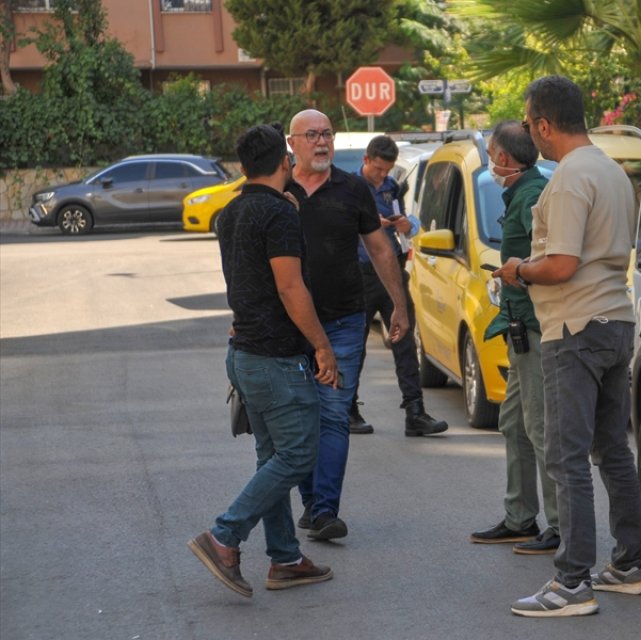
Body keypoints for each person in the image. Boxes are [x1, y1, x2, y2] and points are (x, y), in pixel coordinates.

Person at [494, 76, 641, 618]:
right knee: (612, 449)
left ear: (543, 125)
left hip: (574, 328)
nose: (528, 133)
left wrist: (518, 270)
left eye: (527, 122)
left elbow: (560, 265)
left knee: (567, 457)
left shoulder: (566, 180)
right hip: (615, 320)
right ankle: (629, 564)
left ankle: (572, 582)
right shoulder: (612, 171)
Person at [188, 123, 337, 597]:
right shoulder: (279, 215)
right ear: (284, 162)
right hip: (275, 358)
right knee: (298, 455)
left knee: (272, 457)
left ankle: (286, 558)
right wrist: (322, 346)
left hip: (244, 354)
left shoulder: (231, 212)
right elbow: (290, 288)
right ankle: (224, 536)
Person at [285, 109, 410, 542]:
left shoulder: (352, 188)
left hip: (342, 321)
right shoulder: (277, 190)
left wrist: (400, 304)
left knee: (334, 414)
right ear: (292, 142)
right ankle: (310, 502)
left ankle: (323, 511)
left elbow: (379, 249)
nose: (322, 142)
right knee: (302, 419)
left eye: (327, 135)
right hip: (289, 326)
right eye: (312, 135)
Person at [470, 121, 560, 555]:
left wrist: (519, 273)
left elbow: (554, 260)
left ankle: (560, 527)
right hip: (521, 327)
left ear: (504, 159)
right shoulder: (525, 192)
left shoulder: (532, 197)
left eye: (491, 154)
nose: (491, 161)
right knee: (514, 423)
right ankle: (520, 517)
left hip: (538, 328)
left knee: (540, 429)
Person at [348, 135, 448, 437]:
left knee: (405, 341)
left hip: (392, 272)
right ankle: (348, 409)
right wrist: (367, 223)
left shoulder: (391, 187)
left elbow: (407, 227)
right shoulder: (351, 189)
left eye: (386, 170)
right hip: (361, 274)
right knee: (355, 346)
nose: (382, 175)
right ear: (366, 160)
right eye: (378, 169)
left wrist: (406, 225)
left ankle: (415, 413)